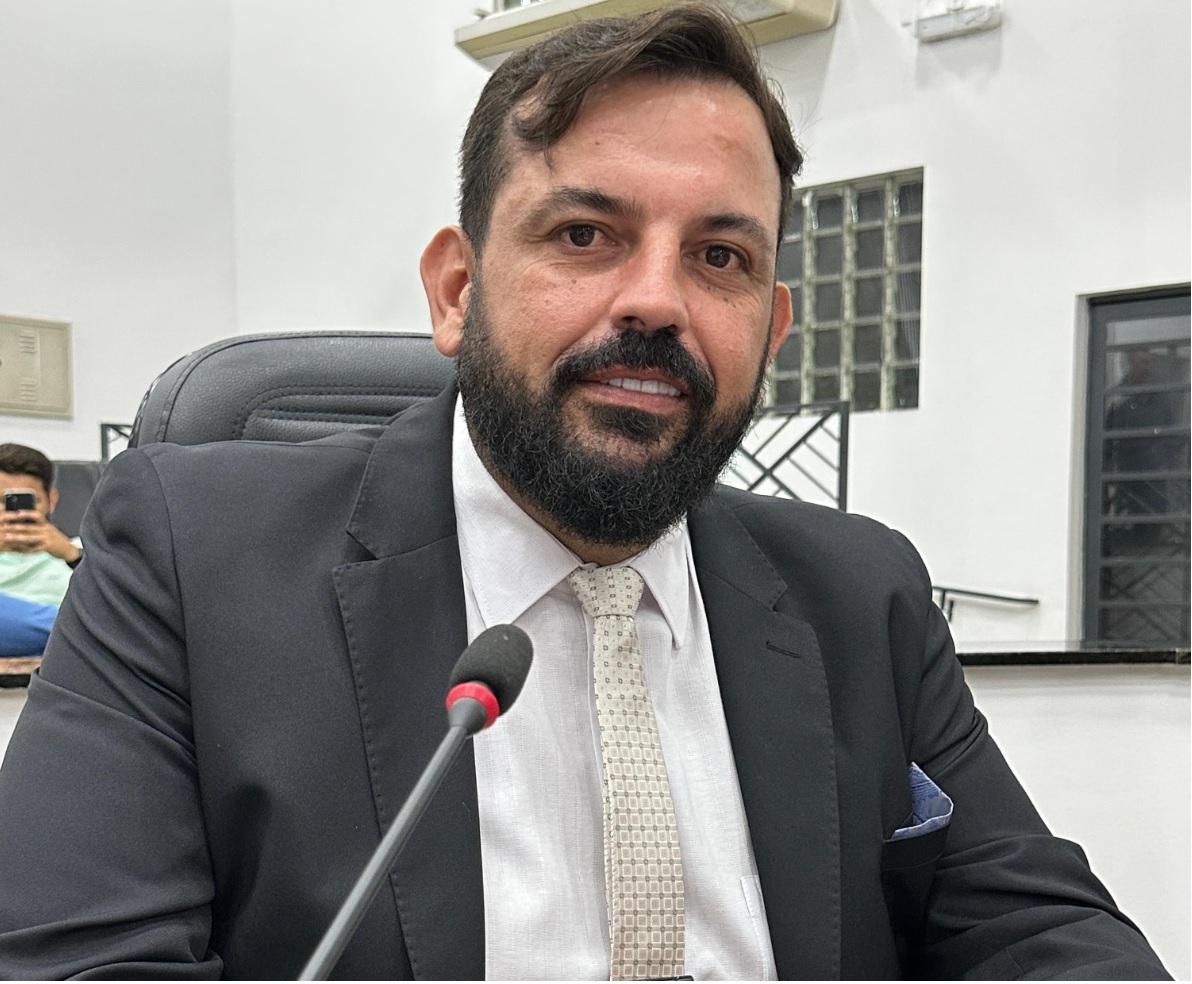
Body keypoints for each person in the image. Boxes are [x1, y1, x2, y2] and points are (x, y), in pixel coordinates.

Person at [0, 3, 1170, 979]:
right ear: (456, 291)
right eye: (583, 235)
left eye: (719, 257)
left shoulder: (861, 592)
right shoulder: (192, 559)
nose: (657, 301)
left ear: (770, 330)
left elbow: (1040, 930)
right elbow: (78, 961)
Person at [0, 442, 82, 657]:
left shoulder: (84, 553)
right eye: (2, 501)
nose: (14, 514)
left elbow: (118, 608)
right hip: (73, 640)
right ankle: (68, 633)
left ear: (51, 501)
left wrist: (72, 555)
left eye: (27, 502)